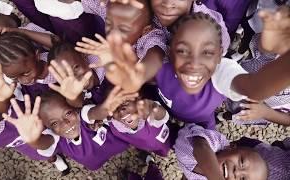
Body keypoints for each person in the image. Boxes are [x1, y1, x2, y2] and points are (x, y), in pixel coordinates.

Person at [103, 12, 290, 129]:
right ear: (170, 50)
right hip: (169, 107)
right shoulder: (163, 63)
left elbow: (253, 88)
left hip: (201, 120)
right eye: (183, 50)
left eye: (207, 52)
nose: (194, 63)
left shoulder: (220, 73)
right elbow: (152, 73)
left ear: (218, 57)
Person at [3, 92, 129, 170]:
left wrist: (107, 107)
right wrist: (33, 140)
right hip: (94, 161)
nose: (65, 123)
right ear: (47, 127)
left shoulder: (83, 115)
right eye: (54, 123)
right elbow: (44, 143)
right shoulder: (54, 136)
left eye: (68, 113)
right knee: (96, 164)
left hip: (117, 145)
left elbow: (95, 112)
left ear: (74, 108)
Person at [174, 123, 289, 180]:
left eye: (243, 179)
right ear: (231, 147)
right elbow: (201, 148)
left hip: (182, 162)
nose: (237, 172)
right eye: (242, 162)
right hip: (180, 133)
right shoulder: (216, 143)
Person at [82, 86, 171, 156]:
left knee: (164, 149)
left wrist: (154, 107)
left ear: (138, 98)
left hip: (162, 141)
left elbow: (163, 116)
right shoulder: (111, 120)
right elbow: (86, 114)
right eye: (114, 107)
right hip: (141, 144)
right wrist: (95, 120)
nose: (121, 110)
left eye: (125, 102)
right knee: (146, 147)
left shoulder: (147, 111)